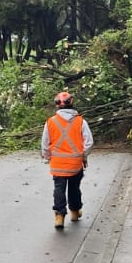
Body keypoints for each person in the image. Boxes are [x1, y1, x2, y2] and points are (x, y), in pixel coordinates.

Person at [41, 91, 94, 230]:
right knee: (74, 188)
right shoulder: (81, 121)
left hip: (57, 164)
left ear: (57, 105)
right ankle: (75, 212)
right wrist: (83, 156)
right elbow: (89, 142)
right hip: (75, 164)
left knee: (59, 189)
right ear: (72, 103)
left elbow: (45, 143)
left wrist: (47, 157)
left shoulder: (50, 122)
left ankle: (59, 216)